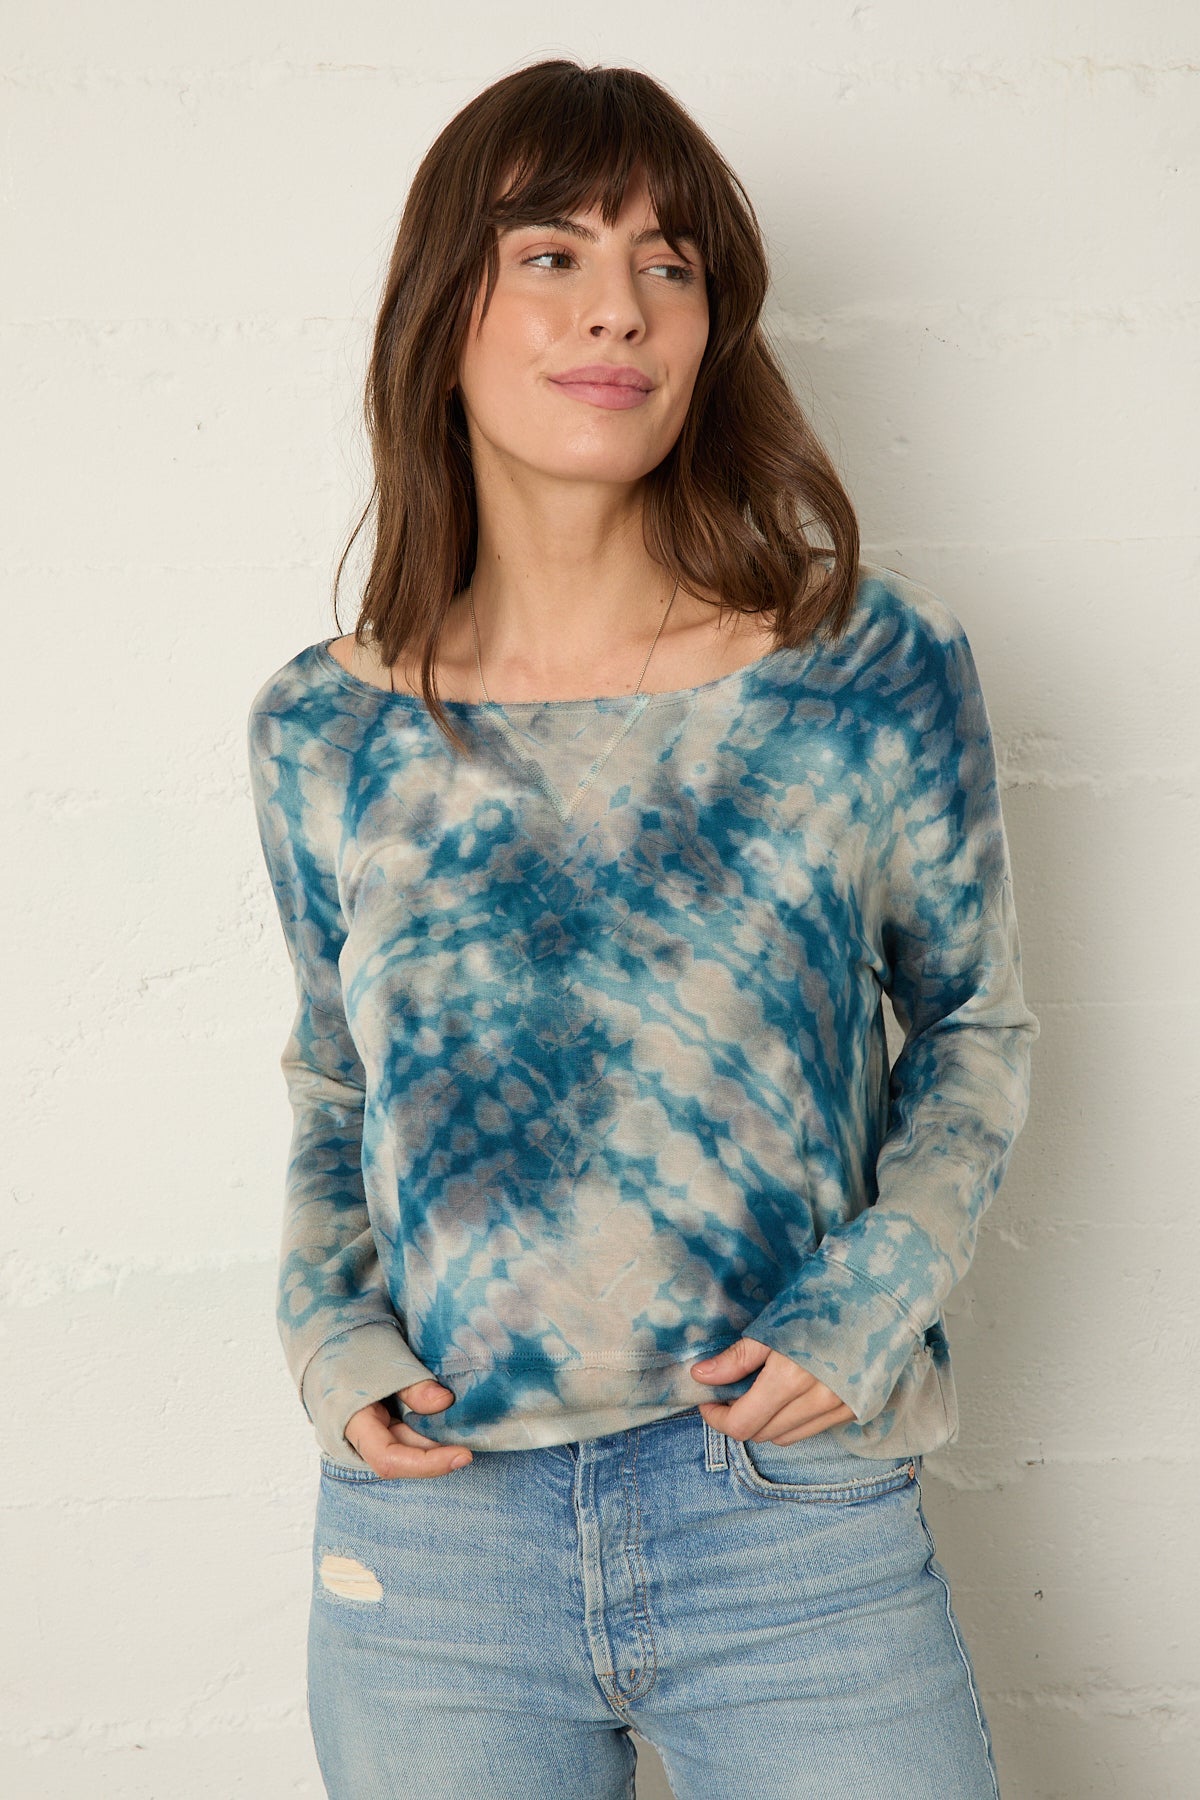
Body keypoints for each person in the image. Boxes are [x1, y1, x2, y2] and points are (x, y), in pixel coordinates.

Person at [246, 57, 1037, 1800]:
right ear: (442, 310)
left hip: (786, 1514)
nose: (620, 308)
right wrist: (329, 1344)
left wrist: (871, 1302)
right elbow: (329, 1083)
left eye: (668, 266)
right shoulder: (324, 725)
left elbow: (972, 1028)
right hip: (434, 1541)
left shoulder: (863, 667)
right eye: (552, 254)